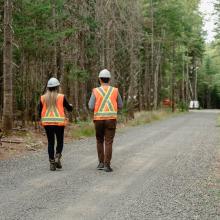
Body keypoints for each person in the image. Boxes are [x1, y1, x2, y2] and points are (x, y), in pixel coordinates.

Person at [88, 69, 123, 172]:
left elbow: (90, 106)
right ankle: (107, 165)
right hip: (111, 119)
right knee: (108, 142)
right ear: (109, 79)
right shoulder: (115, 90)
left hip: (98, 119)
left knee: (99, 140)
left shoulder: (95, 91)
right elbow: (121, 105)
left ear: (100, 79)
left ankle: (101, 163)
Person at [38, 77, 73, 171]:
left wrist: (40, 120)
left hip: (47, 123)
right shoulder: (61, 97)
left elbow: (39, 111)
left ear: (48, 87)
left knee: (50, 142)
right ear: (57, 87)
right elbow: (69, 108)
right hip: (59, 123)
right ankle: (57, 156)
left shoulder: (43, 98)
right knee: (60, 141)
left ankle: (52, 163)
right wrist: (71, 106)